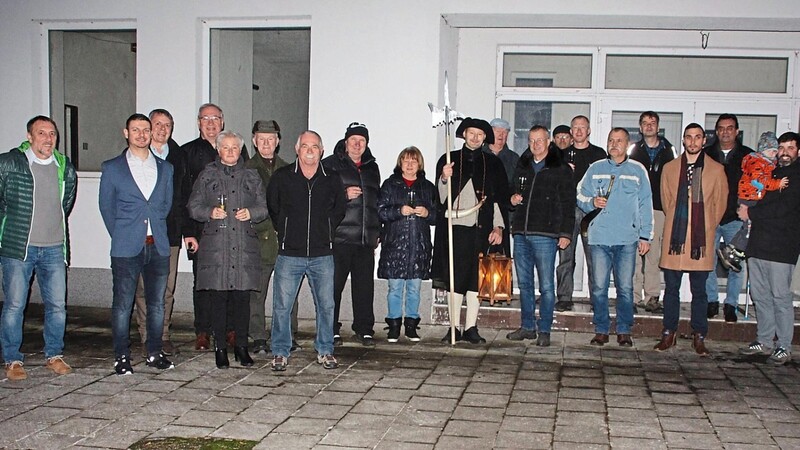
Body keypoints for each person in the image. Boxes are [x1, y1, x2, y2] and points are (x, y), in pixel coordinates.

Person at [0, 116, 77, 381]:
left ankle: (54, 355)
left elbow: (65, 203)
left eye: (52, 133)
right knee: (14, 305)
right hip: (20, 248)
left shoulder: (64, 166)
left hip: (54, 248)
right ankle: (12, 360)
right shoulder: (9, 164)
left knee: (57, 306)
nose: (48, 138)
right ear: (29, 136)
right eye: (41, 133)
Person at [99, 113, 174, 375]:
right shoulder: (112, 168)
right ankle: (121, 356)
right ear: (126, 133)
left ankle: (154, 353)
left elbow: (165, 205)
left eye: (146, 130)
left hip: (158, 246)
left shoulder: (165, 168)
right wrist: (122, 234)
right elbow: (106, 208)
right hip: (126, 247)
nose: (142, 134)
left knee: (156, 304)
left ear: (152, 133)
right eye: (136, 130)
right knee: (123, 305)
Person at [267, 131, 346, 371]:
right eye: (305, 146)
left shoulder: (332, 178)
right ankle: (280, 351)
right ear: (296, 148)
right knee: (282, 306)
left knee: (326, 305)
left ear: (322, 150)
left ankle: (325, 349)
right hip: (290, 254)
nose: (310, 150)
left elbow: (339, 209)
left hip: (322, 254)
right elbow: (274, 207)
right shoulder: (282, 177)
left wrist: (327, 231)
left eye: (315, 146)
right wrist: (286, 230)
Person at [187, 130, 267, 369]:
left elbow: (264, 207)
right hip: (217, 248)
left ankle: (241, 347)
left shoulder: (252, 176)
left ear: (240, 150)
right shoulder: (207, 175)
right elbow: (193, 206)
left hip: (243, 246)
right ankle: (220, 348)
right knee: (218, 301)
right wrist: (209, 212)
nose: (231, 152)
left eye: (235, 148)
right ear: (218, 150)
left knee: (243, 300)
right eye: (226, 147)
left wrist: (251, 213)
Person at [432, 117, 510, 344]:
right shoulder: (449, 159)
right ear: (464, 134)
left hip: (481, 229)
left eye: (480, 134)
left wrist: (498, 226)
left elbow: (497, 199)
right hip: (455, 227)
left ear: (485, 137)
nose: (475, 138)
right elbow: (441, 198)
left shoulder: (493, 163)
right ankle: (453, 327)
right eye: (471, 133)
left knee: (478, 278)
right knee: (455, 278)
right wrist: (445, 178)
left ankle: (471, 327)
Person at [654, 123, 727, 356]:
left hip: (700, 240)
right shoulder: (671, 168)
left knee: (700, 291)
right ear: (683, 140)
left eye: (697, 137)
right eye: (689, 137)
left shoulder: (716, 170)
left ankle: (699, 334)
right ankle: (669, 333)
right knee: (672, 289)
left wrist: (704, 226)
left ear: (704, 140)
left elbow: (720, 204)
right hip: (676, 238)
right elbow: (667, 203)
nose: (693, 142)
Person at [577, 128, 653, 347]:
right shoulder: (595, 168)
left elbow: (645, 204)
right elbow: (579, 193)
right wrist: (591, 202)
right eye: (611, 140)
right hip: (599, 238)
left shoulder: (637, 170)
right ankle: (601, 329)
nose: (614, 144)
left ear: (627, 144)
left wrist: (645, 236)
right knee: (599, 287)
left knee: (625, 288)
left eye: (619, 141)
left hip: (627, 239)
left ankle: (623, 330)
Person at [182, 103, 248, 350]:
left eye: (215, 118)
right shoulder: (187, 153)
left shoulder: (237, 152)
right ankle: (202, 331)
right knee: (204, 282)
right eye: (205, 119)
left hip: (233, 232)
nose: (210, 123)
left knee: (231, 280)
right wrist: (189, 232)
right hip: (202, 231)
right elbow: (184, 196)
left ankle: (230, 329)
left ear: (222, 121)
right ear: (198, 122)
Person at [506, 125, 574, 347]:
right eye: (531, 140)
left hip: (545, 233)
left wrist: (565, 233)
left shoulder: (560, 168)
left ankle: (544, 329)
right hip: (521, 233)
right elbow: (511, 191)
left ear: (549, 142)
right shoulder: (522, 165)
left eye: (540, 140)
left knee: (546, 285)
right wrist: (512, 199)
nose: (535, 144)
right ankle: (527, 327)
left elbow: (567, 203)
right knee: (524, 284)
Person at [738, 131, 800, 365]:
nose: (784, 152)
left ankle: (783, 345)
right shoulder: (769, 171)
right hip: (758, 244)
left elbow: (782, 210)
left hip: (782, 247)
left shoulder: (796, 177)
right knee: (760, 295)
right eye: (781, 147)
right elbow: (753, 188)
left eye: (790, 148)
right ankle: (764, 340)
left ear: (798, 152)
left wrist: (750, 212)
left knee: (780, 297)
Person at [133, 108, 191, 358]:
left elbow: (185, 196)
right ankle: (147, 336)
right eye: (157, 124)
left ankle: (164, 335)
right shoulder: (134, 156)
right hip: (140, 233)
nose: (162, 129)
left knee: (166, 288)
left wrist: (186, 231)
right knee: (144, 288)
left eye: (167, 125)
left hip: (169, 233)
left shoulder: (179, 156)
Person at [322, 123, 381, 346]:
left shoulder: (371, 167)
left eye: (362, 141)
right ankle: (331, 328)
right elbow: (323, 197)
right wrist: (343, 194)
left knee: (365, 286)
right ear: (345, 142)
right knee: (334, 285)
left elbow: (376, 201)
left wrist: (377, 230)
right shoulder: (330, 164)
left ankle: (364, 328)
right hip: (340, 237)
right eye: (353, 140)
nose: (357, 145)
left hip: (365, 238)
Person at [244, 120, 299, 355]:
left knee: (288, 291)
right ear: (255, 141)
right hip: (258, 238)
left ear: (277, 142)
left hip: (286, 239)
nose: (266, 144)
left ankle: (287, 334)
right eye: (261, 139)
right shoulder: (245, 169)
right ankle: (257, 335)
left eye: (271, 139)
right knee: (257, 291)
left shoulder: (290, 169)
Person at [377, 146, 437, 343]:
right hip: (395, 244)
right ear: (400, 163)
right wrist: (398, 211)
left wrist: (427, 214)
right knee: (394, 288)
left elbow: (438, 215)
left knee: (414, 289)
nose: (410, 164)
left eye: (414, 161)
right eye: (406, 160)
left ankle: (411, 326)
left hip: (418, 245)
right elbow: (379, 211)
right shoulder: (390, 184)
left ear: (419, 164)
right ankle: (393, 326)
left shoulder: (427, 187)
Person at [704, 113, 753, 323]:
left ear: (737, 131)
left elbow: (755, 186)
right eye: (721, 128)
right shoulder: (706, 155)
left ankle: (731, 304)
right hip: (710, 217)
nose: (726, 132)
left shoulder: (748, 156)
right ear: (716, 131)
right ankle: (711, 301)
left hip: (735, 218)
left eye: (730, 128)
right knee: (708, 261)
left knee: (736, 263)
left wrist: (749, 209)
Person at [555, 115, 606, 312]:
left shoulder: (599, 154)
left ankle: (597, 298)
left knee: (594, 257)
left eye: (582, 127)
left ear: (589, 130)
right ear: (570, 130)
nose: (578, 131)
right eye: (574, 127)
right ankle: (564, 297)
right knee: (565, 256)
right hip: (567, 211)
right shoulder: (561, 154)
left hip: (591, 212)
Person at [717, 131, 787, 272]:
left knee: (748, 229)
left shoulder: (767, 163)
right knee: (749, 229)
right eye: (770, 151)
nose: (774, 154)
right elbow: (758, 181)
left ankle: (734, 252)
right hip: (749, 199)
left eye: (775, 151)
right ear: (763, 151)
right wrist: (776, 184)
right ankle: (732, 251)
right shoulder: (757, 163)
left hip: (753, 198)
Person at [629, 111, 676, 314]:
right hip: (634, 208)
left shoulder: (669, 150)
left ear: (658, 127)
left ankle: (652, 297)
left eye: (652, 123)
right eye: (645, 123)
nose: (648, 126)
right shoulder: (632, 149)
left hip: (658, 208)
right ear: (640, 128)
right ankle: (633, 297)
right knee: (633, 254)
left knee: (653, 254)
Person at [483, 118, 519, 184]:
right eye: (497, 131)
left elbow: (517, 184)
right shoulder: (479, 155)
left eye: (504, 132)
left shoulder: (514, 158)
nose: (501, 135)